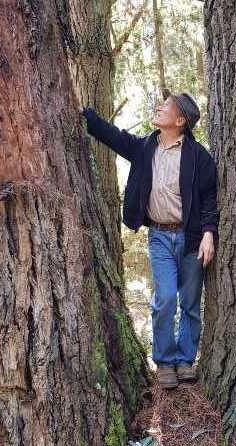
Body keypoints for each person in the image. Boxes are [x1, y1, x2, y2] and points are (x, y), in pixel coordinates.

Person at [79, 93, 219, 389]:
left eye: (166, 106)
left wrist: (209, 233)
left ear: (180, 121)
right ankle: (165, 362)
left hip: (192, 238)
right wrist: (87, 116)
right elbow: (116, 138)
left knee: (191, 303)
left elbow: (209, 198)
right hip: (158, 235)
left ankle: (185, 360)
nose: (159, 106)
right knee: (166, 298)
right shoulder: (145, 147)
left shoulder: (198, 156)